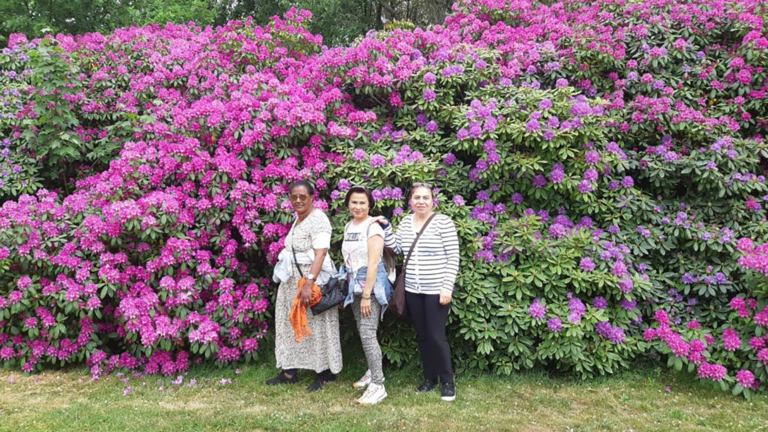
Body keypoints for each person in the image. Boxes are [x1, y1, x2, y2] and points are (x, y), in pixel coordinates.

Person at [377, 182, 460, 401]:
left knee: (436, 336)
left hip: (436, 290)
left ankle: (448, 383)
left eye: (425, 197)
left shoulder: (443, 223)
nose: (421, 201)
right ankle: (429, 379)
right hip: (413, 289)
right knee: (423, 336)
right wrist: (386, 228)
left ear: (433, 200)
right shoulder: (405, 222)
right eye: (417, 198)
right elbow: (397, 248)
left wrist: (447, 287)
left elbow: (453, 257)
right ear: (410, 201)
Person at [268, 180, 342, 391]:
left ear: (312, 197)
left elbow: (321, 253)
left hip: (310, 280)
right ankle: (290, 372)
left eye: (303, 196)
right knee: (290, 324)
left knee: (317, 326)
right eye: (294, 196)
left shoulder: (318, 219)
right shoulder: (297, 219)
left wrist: (309, 282)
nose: (298, 200)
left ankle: (325, 372)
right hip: (292, 281)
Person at [340, 186, 392, 405]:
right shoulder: (349, 225)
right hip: (354, 285)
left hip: (370, 286)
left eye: (362, 202)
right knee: (364, 331)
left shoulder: (374, 228)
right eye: (354, 202)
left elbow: (373, 262)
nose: (358, 206)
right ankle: (372, 371)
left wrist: (367, 295)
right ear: (348, 205)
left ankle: (378, 385)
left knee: (368, 332)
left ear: (370, 205)